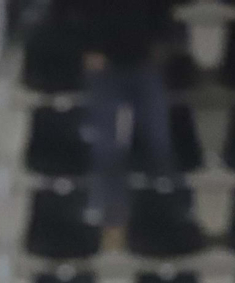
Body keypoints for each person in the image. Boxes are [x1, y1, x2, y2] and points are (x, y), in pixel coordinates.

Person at [67, 0, 176, 249]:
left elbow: (162, 11)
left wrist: (160, 45)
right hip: (104, 65)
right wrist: (87, 47)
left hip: (144, 60)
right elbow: (70, 10)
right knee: (106, 148)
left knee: (158, 143)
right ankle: (112, 220)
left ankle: (158, 218)